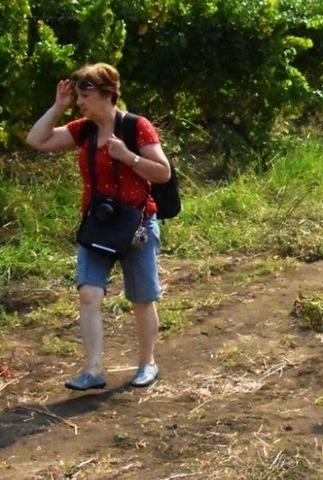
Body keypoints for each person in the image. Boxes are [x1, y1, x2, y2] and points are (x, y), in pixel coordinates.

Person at [26, 63, 171, 390]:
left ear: (107, 94)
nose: (80, 103)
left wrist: (128, 157)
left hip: (137, 224)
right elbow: (37, 140)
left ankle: (147, 363)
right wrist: (57, 107)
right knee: (89, 294)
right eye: (77, 96)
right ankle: (93, 371)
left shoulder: (137, 127)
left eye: (85, 95)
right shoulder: (85, 129)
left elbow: (163, 173)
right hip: (98, 224)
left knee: (141, 298)